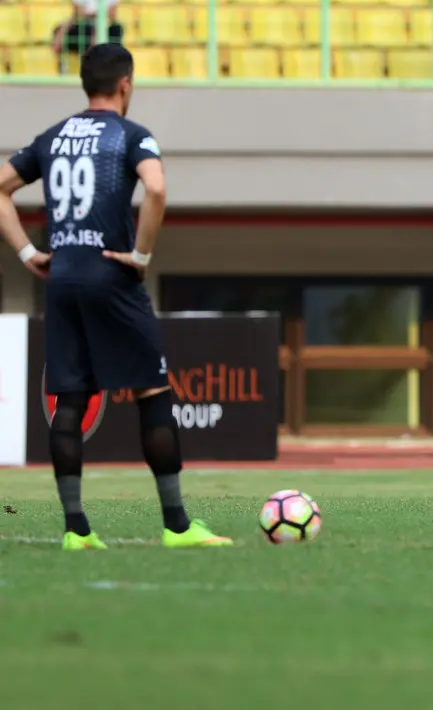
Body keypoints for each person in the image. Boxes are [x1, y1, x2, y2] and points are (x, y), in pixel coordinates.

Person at [0, 44, 232, 550]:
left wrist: (26, 254)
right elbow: (155, 190)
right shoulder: (131, 136)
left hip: (61, 276)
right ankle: (176, 526)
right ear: (125, 84)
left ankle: (76, 529)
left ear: (85, 84)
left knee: (69, 398)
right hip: (111, 274)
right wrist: (142, 255)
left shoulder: (53, 136)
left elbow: (0, 187)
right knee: (153, 392)